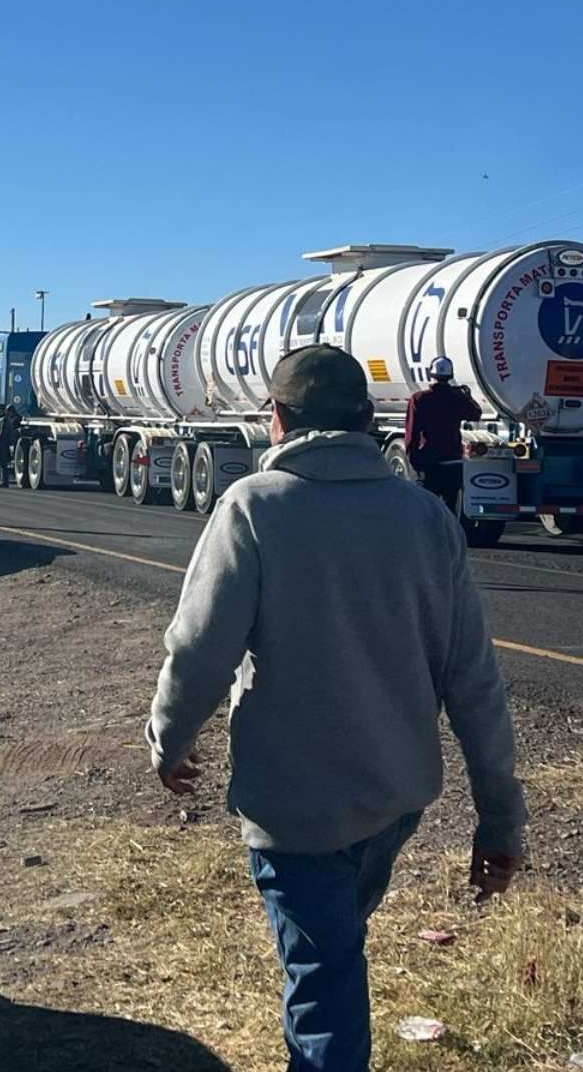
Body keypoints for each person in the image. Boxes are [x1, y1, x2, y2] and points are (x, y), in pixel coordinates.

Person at [145, 344, 526, 1071]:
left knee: (326, 989)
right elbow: (473, 678)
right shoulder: (423, 518)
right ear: (364, 420)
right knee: (331, 954)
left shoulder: (252, 509)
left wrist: (168, 740)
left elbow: (200, 650)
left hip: (295, 810)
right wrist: (500, 817)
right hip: (393, 801)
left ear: (278, 419)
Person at [403, 357, 483, 506]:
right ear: (450, 375)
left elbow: (411, 433)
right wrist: (467, 396)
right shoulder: (456, 397)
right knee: (449, 510)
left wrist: (415, 462)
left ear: (430, 374)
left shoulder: (419, 399)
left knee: (427, 509)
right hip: (453, 462)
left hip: (430, 463)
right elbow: (476, 413)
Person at [0, 402, 23, 488]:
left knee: (2, 464)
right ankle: (3, 480)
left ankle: (4, 481)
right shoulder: (6, 420)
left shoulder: (4, 420)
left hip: (2, 444)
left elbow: (1, 433)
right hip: (3, 444)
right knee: (2, 463)